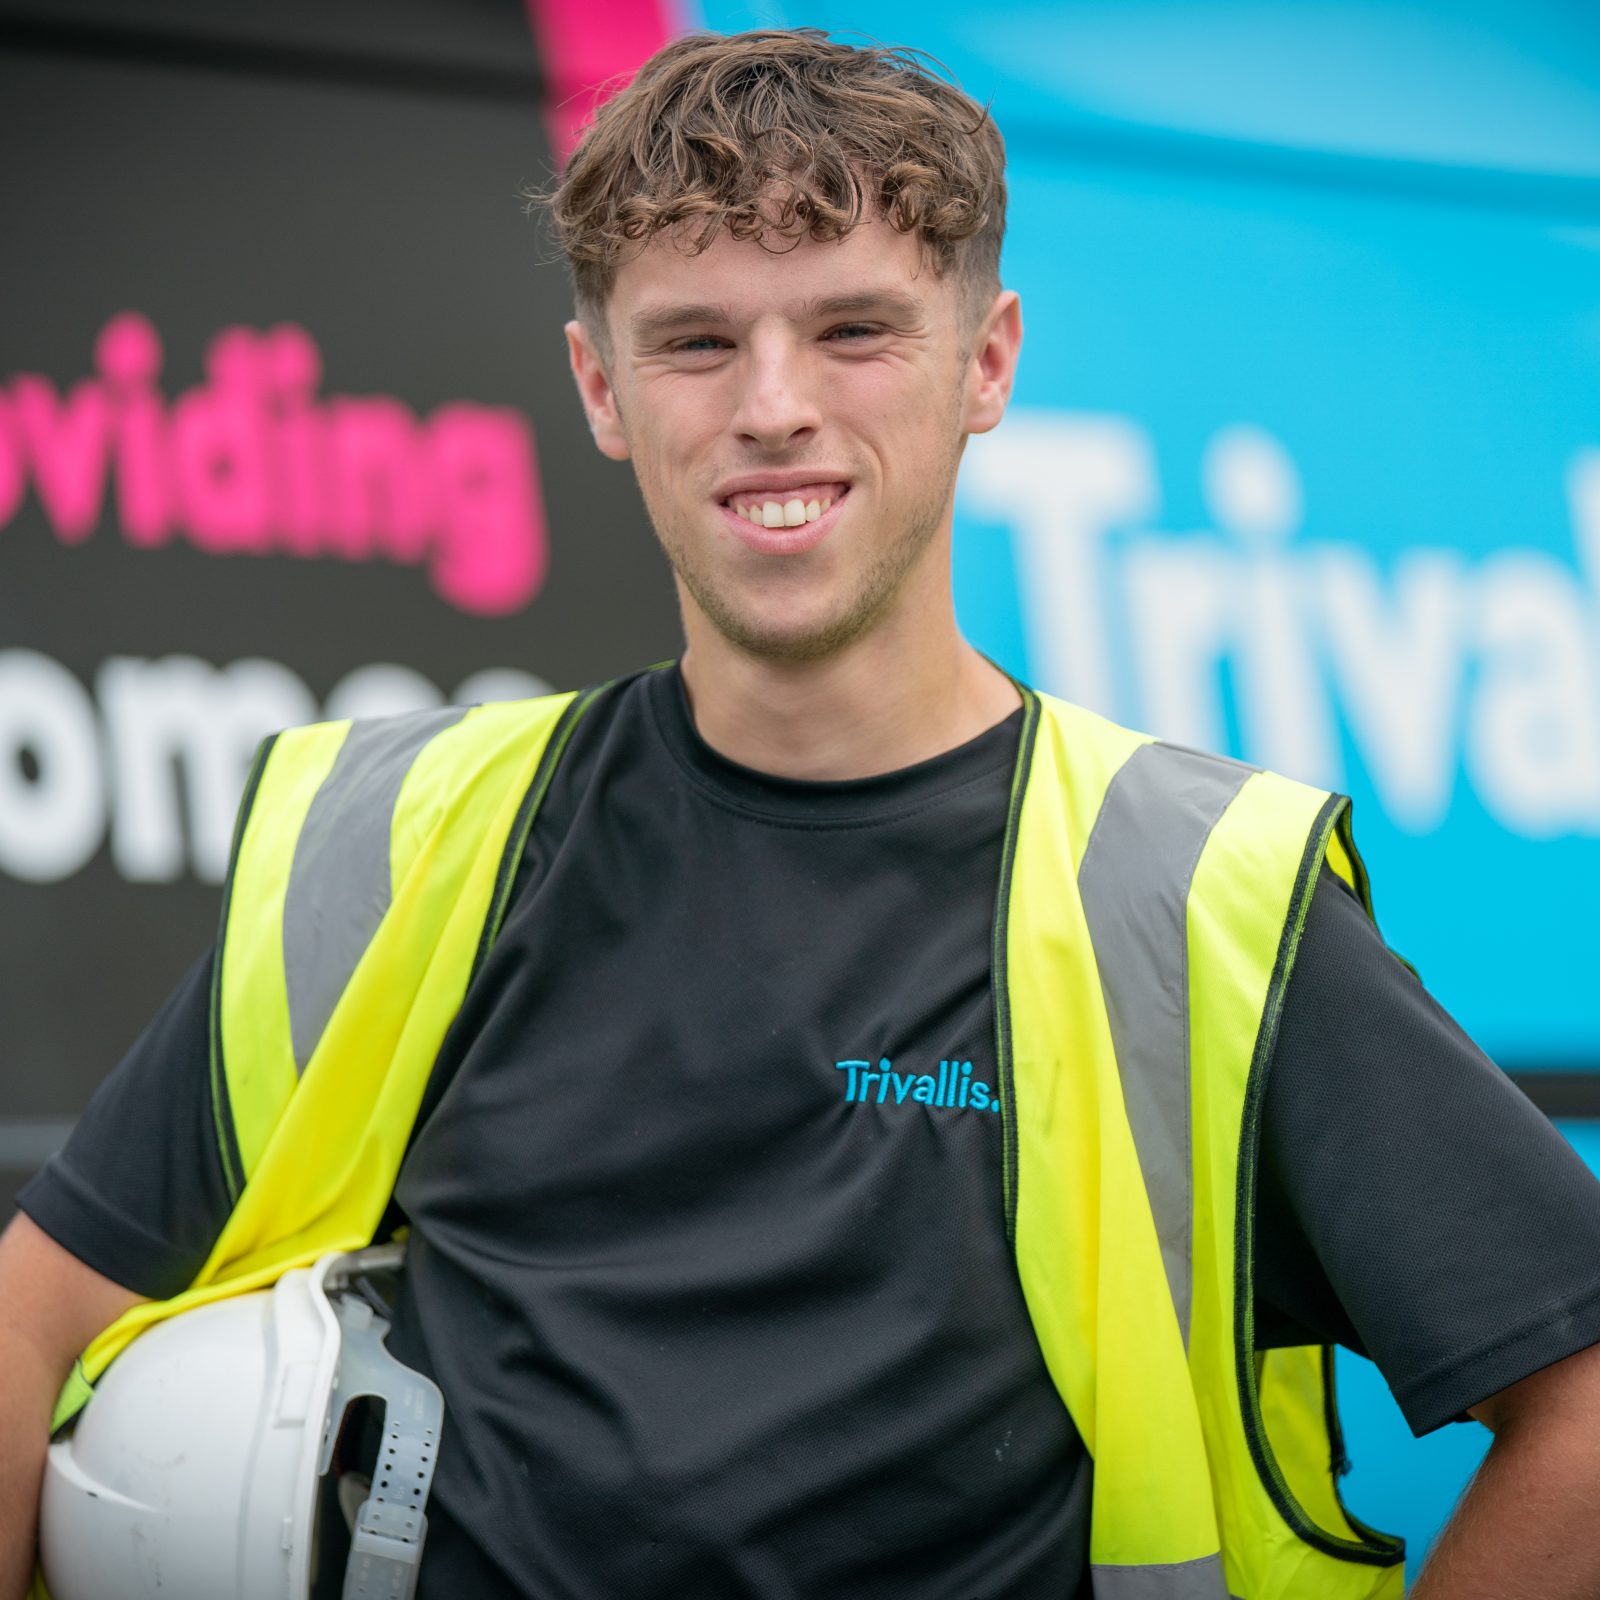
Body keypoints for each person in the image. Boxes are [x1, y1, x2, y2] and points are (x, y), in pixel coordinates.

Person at [5, 27, 1600, 1600]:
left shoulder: (1191, 895)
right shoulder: (406, 839)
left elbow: (1581, 1410)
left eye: (854, 330)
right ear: (600, 385)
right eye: (696, 342)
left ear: (987, 363)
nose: (772, 405)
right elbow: (30, 1320)